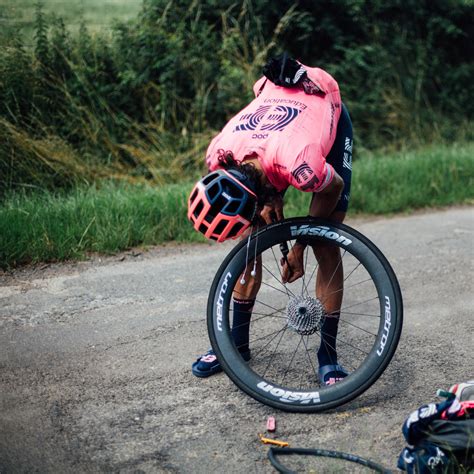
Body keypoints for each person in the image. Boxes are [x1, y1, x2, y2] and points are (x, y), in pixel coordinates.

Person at [187, 55, 353, 386]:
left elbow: (331, 187)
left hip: (323, 120)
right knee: (251, 239)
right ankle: (237, 342)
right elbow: (253, 198)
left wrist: (300, 246)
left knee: (324, 241)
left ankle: (328, 354)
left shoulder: (302, 165)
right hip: (271, 135)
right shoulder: (220, 154)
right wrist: (265, 205)